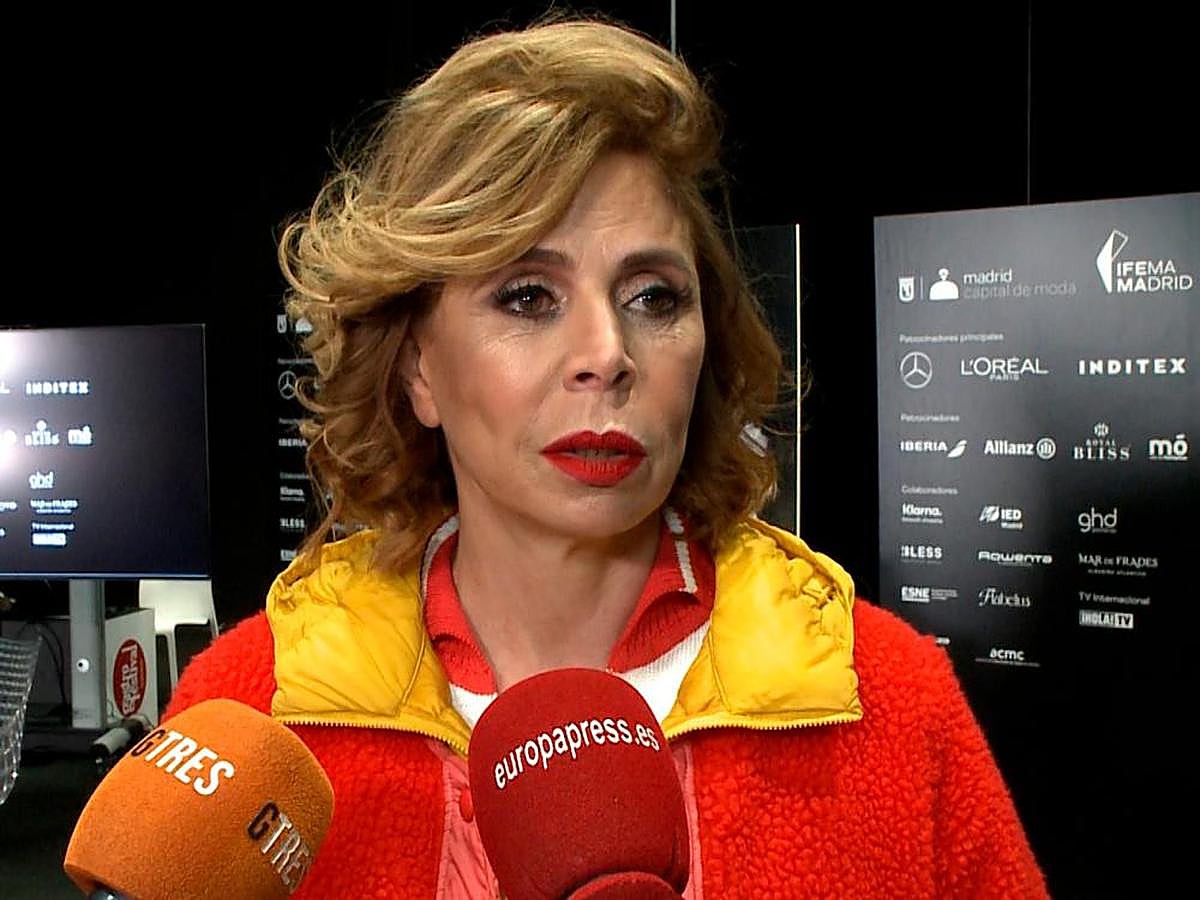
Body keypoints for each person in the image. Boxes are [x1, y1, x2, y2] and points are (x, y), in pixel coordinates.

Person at [168, 17, 1048, 897]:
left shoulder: (894, 702)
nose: (607, 352)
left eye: (654, 297)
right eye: (528, 297)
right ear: (416, 370)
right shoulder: (246, 719)